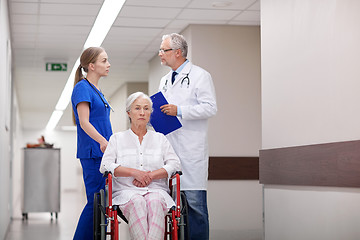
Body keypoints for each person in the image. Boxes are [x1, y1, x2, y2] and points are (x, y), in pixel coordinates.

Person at [158, 33, 217, 240]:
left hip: (192, 152)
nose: (160, 54)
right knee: (174, 211)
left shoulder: (201, 75)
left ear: (177, 52)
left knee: (195, 208)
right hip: (170, 150)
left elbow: (210, 108)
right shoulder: (164, 80)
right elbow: (164, 111)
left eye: (163, 50)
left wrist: (180, 110)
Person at [100, 92, 181, 240]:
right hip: (126, 191)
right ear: (128, 113)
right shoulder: (117, 139)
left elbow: (175, 163)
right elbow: (105, 165)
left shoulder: (160, 139)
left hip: (157, 190)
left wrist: (151, 176)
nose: (142, 112)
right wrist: (133, 173)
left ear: (151, 112)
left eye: (146, 108)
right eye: (137, 108)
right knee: (137, 201)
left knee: (155, 201)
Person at [71, 46, 113, 240]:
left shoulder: (97, 91)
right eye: (104, 61)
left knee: (101, 203)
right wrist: (103, 141)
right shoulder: (82, 87)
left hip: (103, 153)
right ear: (91, 65)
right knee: (95, 202)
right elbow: (84, 121)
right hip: (93, 154)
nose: (108, 64)